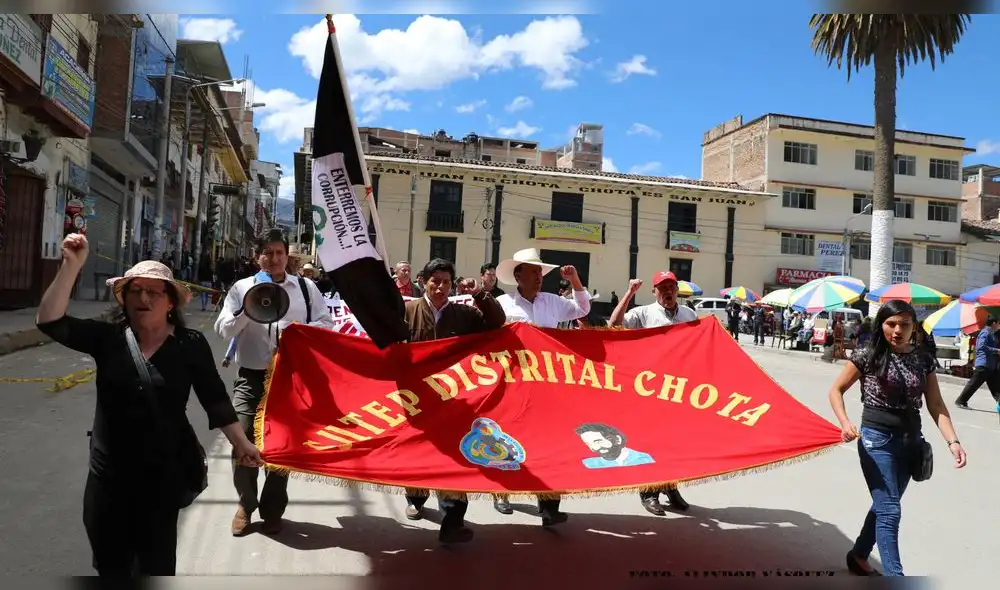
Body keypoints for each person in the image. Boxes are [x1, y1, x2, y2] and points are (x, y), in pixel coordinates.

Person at [35, 234, 262, 576]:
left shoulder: (190, 344)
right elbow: (51, 322)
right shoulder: (108, 337)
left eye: (153, 291)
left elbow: (214, 398)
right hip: (107, 478)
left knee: (154, 567)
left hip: (161, 478)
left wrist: (242, 443)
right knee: (111, 565)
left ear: (170, 301)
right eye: (135, 291)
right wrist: (71, 266)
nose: (143, 298)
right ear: (124, 299)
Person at [827, 299, 967, 577]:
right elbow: (836, 390)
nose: (897, 330)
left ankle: (858, 555)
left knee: (885, 505)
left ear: (914, 327)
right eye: (891, 323)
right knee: (890, 510)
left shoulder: (923, 358)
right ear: (882, 325)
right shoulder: (868, 353)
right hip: (875, 440)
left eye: (904, 324)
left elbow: (936, 404)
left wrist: (953, 441)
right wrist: (844, 422)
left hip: (910, 442)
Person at [215, 228, 335, 537]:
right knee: (241, 437)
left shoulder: (306, 289)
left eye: (279, 252)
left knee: (281, 446)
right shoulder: (242, 288)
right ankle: (246, 503)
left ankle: (272, 508)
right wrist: (248, 308)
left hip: (291, 378)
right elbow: (223, 330)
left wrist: (295, 329)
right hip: (251, 376)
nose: (274, 258)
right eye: (267, 252)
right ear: (258, 257)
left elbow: (325, 324)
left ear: (287, 255)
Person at [401, 259, 506, 543]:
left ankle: (453, 519)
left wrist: (480, 293)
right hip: (417, 398)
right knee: (421, 454)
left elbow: (497, 322)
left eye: (446, 282)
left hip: (455, 399)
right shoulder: (407, 310)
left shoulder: (464, 314)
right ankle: (416, 499)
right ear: (423, 281)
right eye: (435, 281)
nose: (440, 287)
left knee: (456, 457)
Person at [492, 247, 590, 525]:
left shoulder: (552, 302)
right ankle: (502, 493)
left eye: (540, 272)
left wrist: (575, 281)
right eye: (533, 271)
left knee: (547, 441)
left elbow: (583, 309)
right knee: (507, 438)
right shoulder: (502, 304)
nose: (539, 276)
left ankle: (549, 505)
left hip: (547, 385)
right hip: (512, 383)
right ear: (518, 275)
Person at [608, 271, 695, 514]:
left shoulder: (689, 314)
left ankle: (670, 486)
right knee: (652, 441)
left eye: (671, 287)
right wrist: (629, 294)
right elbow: (614, 326)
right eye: (662, 287)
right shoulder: (643, 313)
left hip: (680, 390)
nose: (667, 291)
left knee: (675, 442)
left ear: (677, 290)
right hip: (650, 390)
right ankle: (649, 493)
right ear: (654, 291)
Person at [954, 316, 1000, 409]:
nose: (999, 325)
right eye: (998, 323)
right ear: (994, 323)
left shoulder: (992, 333)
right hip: (984, 364)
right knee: (973, 384)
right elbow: (981, 347)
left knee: (996, 386)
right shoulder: (985, 332)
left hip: (990, 365)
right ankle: (961, 401)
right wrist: (997, 351)